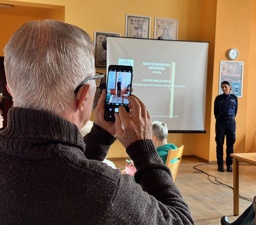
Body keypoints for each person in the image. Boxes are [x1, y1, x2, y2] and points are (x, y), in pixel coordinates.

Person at [0, 19, 194, 224]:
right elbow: (181, 221)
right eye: (95, 79)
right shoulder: (107, 191)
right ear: (83, 95)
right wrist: (143, 149)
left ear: (10, 88)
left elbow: (60, 176)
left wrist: (100, 138)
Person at [214, 81, 238, 172]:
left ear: (230, 87)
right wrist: (220, 119)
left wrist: (230, 118)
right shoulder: (218, 98)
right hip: (220, 122)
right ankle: (220, 164)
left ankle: (229, 164)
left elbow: (235, 111)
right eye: (222, 87)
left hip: (231, 122)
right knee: (219, 143)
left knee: (230, 144)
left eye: (225, 87)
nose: (224, 89)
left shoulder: (234, 98)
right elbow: (215, 111)